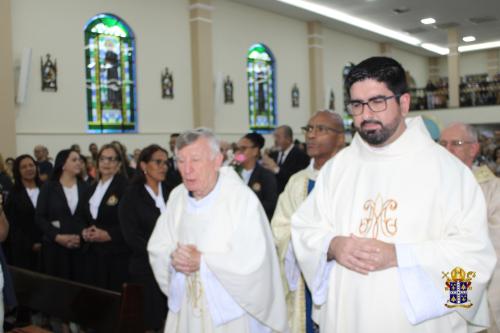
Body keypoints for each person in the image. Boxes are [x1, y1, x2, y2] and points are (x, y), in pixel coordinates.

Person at [291, 57, 496, 332]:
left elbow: (475, 262)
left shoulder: (449, 172)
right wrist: (332, 246)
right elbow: (304, 228)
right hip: (346, 318)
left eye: (377, 101)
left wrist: (401, 256)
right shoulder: (338, 168)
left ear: (404, 103)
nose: (366, 114)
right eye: (357, 105)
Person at [147, 128, 287, 332]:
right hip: (187, 307)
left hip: (231, 315)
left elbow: (256, 259)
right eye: (180, 161)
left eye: (195, 160)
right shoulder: (177, 197)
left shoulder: (240, 198)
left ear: (217, 160)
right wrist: (173, 258)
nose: (186, 169)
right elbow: (158, 246)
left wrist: (203, 261)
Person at [271, 110, 345, 333]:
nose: (311, 135)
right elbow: (280, 227)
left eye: (321, 129)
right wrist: (301, 245)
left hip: (340, 278)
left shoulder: (351, 177)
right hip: (302, 281)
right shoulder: (298, 181)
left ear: (340, 138)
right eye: (309, 129)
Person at [440, 122, 500, 333]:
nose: (447, 150)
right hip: (441, 282)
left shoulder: (491, 187)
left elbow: (493, 239)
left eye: (455, 144)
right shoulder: (431, 186)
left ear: (473, 149)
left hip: (477, 281)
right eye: (442, 144)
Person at [119, 144, 173, 332]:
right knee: (151, 320)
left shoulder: (171, 192)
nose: (163, 166)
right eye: (157, 162)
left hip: (174, 266)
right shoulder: (131, 195)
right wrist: (160, 253)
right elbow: (131, 236)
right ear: (143, 165)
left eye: (165, 162)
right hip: (146, 267)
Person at [35, 149, 89, 282]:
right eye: (74, 160)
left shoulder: (86, 187)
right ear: (63, 165)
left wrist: (81, 235)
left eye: (80, 160)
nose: (79, 163)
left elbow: (88, 217)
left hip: (80, 248)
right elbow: (40, 217)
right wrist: (57, 237)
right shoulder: (48, 187)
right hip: (55, 249)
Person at [83, 144, 129, 291]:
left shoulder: (126, 187)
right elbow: (83, 217)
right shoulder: (91, 188)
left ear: (119, 164)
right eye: (102, 159)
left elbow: (131, 222)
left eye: (111, 159)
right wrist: (84, 232)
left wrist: (109, 234)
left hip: (115, 254)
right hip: (93, 253)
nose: (106, 163)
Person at [4, 155, 43, 271]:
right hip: (24, 251)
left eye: (31, 165)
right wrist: (31, 244)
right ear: (18, 171)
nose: (29, 169)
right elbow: (13, 225)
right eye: (24, 167)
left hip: (48, 247)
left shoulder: (46, 189)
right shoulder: (14, 195)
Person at [236, 132, 278, 220]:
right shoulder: (233, 173)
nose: (239, 153)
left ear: (255, 151)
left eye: (243, 148)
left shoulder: (266, 175)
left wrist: (246, 206)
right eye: (237, 149)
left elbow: (271, 204)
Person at [262, 125, 310, 193]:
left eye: (278, 137)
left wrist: (276, 169)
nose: (275, 140)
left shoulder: (300, 155)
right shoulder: (273, 154)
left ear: (288, 139)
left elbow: (297, 178)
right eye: (275, 137)